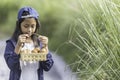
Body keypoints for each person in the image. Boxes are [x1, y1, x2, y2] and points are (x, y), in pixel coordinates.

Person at [4, 6, 54, 80]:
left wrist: (45, 47)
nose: (29, 30)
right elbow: (12, 66)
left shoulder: (39, 43)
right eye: (26, 26)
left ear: (37, 26)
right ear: (19, 26)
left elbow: (47, 67)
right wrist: (18, 46)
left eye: (33, 26)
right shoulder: (12, 43)